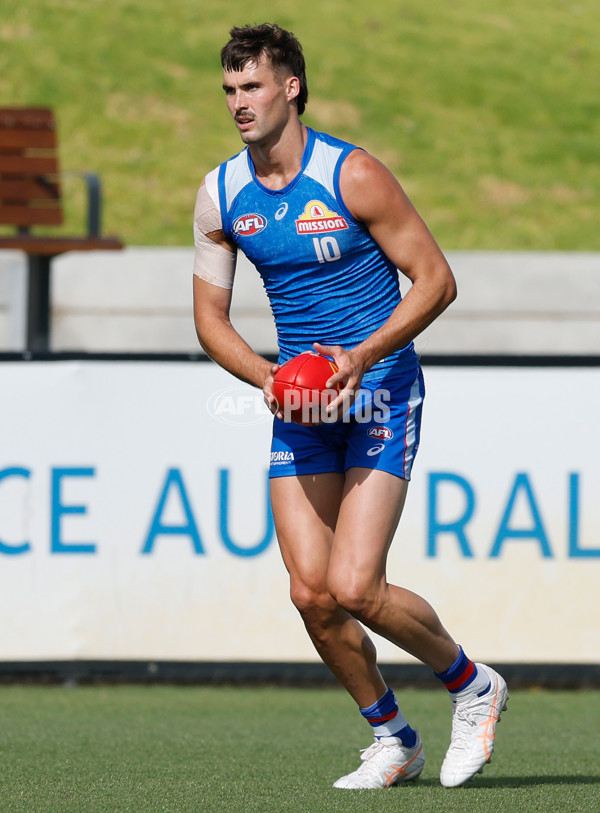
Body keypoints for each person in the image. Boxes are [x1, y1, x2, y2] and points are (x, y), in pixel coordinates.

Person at [193, 22, 508, 789]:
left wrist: (361, 356)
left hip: (380, 392)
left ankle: (473, 685)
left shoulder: (352, 174)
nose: (239, 102)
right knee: (311, 592)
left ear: (291, 87)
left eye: (254, 86)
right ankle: (394, 737)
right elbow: (209, 321)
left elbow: (436, 280)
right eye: (230, 89)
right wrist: (268, 379)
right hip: (302, 406)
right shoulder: (221, 193)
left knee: (356, 586)